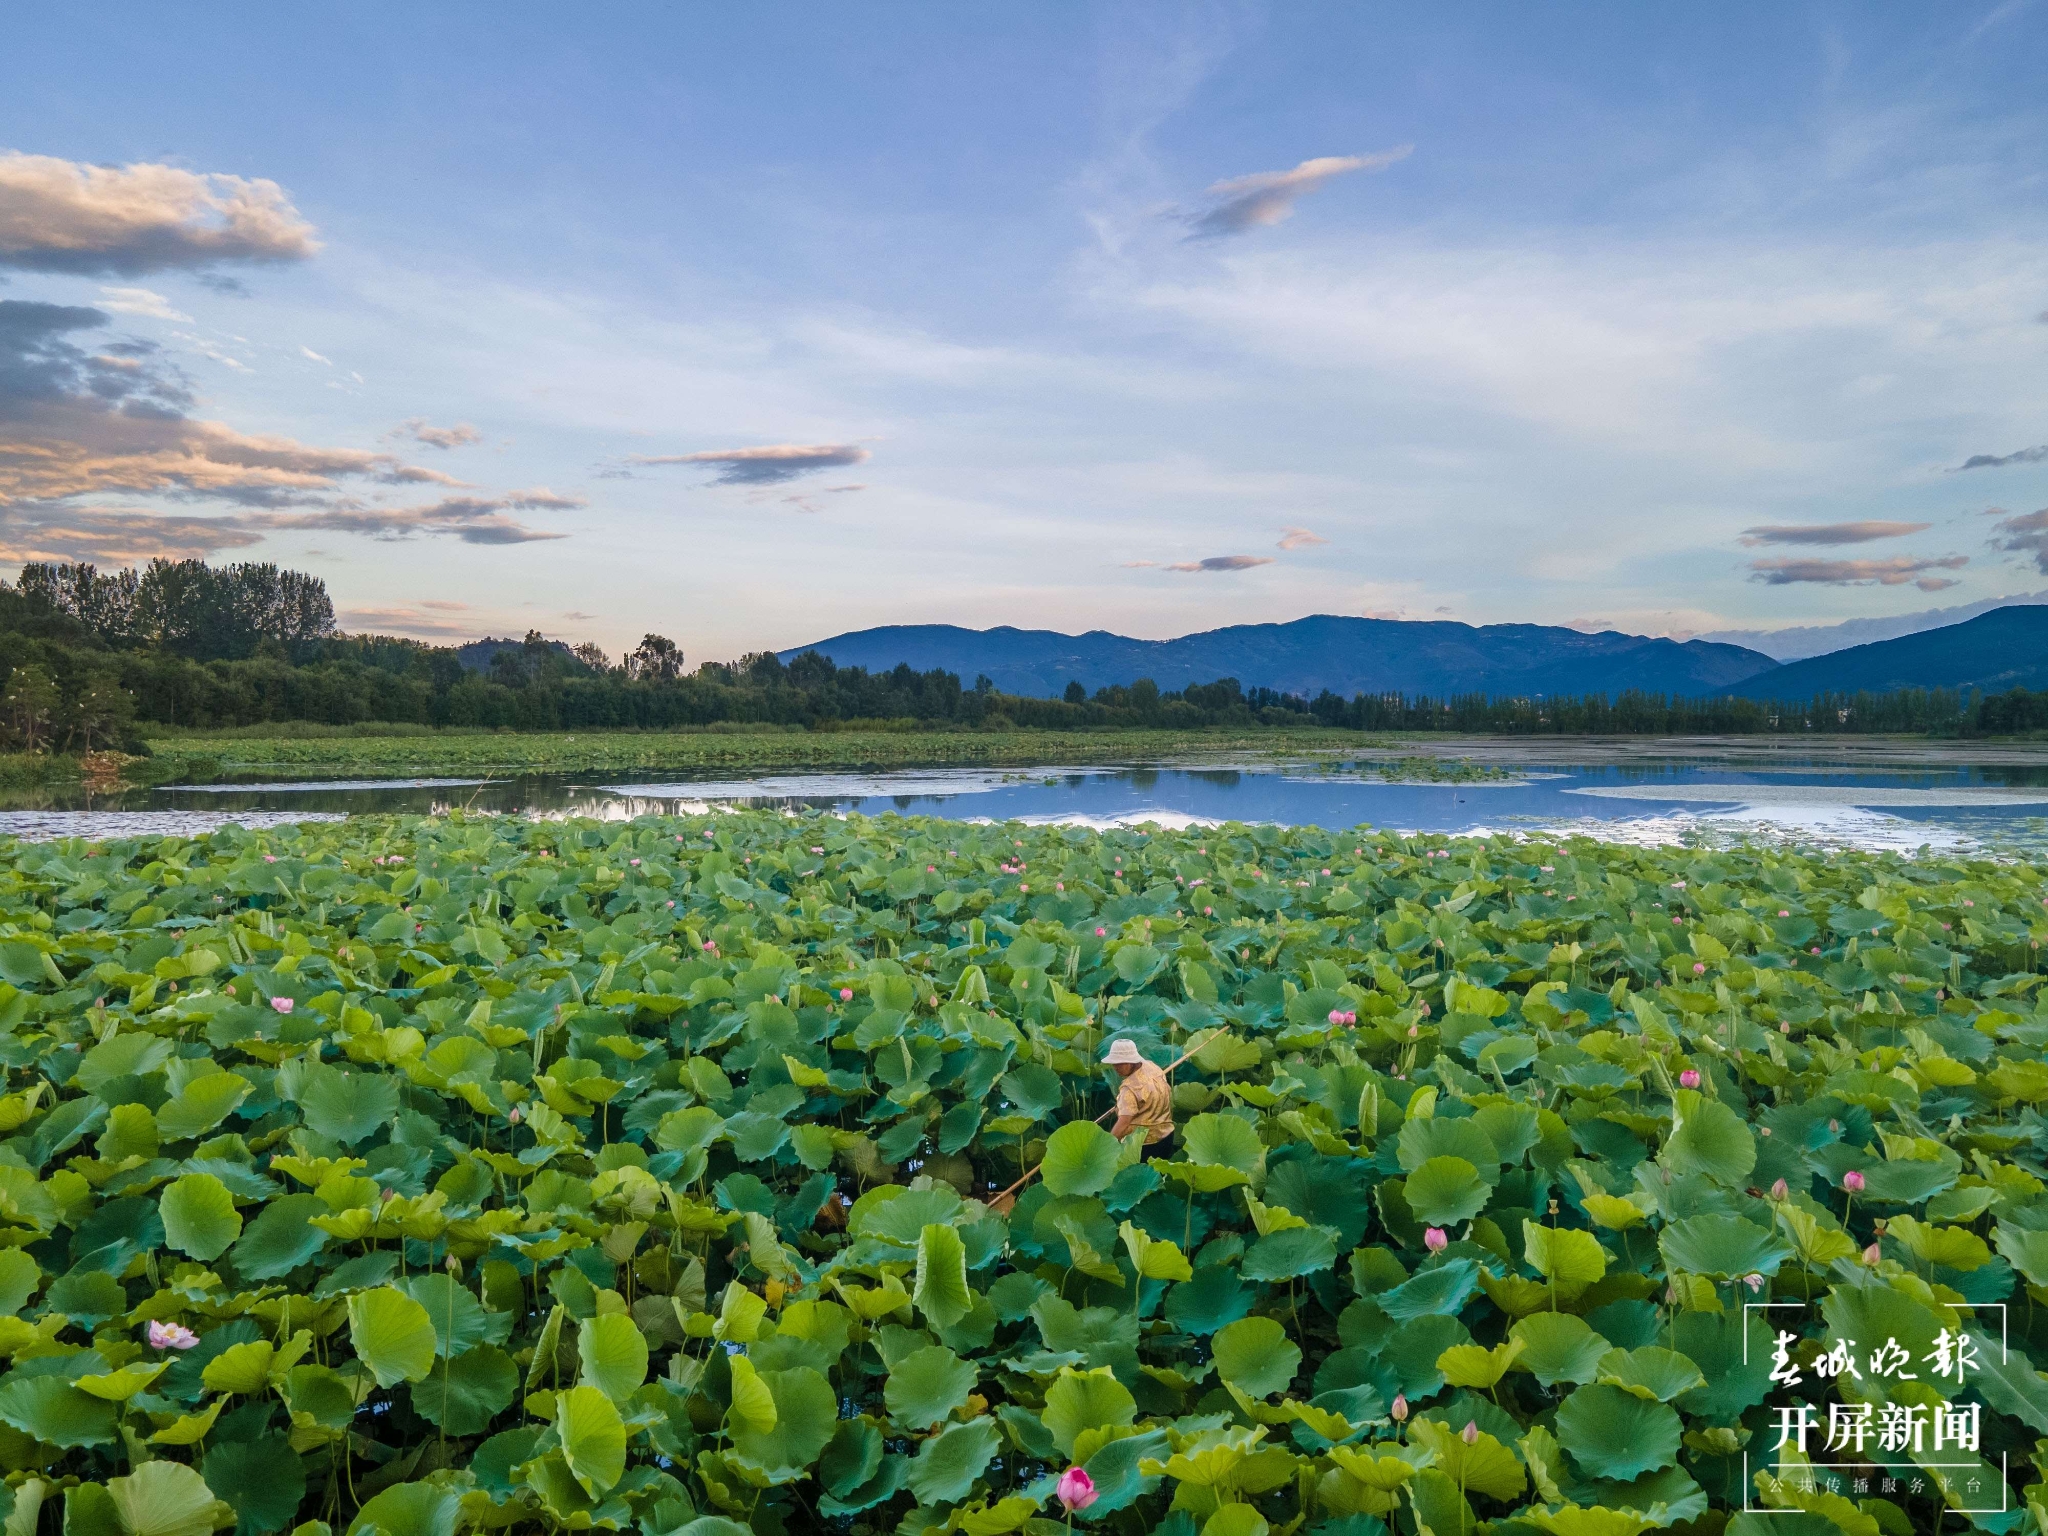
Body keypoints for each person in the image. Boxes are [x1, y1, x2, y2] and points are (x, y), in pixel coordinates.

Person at [1104, 1037, 1174, 1155]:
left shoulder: (1129, 1089)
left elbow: (1124, 1123)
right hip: (1167, 1136)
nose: (1116, 1067)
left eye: (1120, 1063)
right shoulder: (1153, 1067)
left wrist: (1107, 1147)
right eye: (1114, 1063)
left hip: (1144, 1145)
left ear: (1131, 1061)